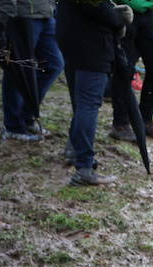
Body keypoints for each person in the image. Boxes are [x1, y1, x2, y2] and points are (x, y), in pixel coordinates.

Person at [56, 0, 133, 186]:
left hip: (73, 39)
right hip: (92, 45)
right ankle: (84, 168)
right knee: (88, 105)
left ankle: (76, 152)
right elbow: (102, 11)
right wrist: (120, 17)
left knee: (82, 102)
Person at [0, 0, 64, 141]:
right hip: (21, 16)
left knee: (54, 65)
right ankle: (13, 127)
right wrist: (8, 18)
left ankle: (27, 115)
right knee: (16, 69)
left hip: (47, 14)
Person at [107, 0, 153, 143]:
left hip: (147, 15)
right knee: (124, 71)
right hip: (126, 12)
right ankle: (120, 124)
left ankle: (145, 120)